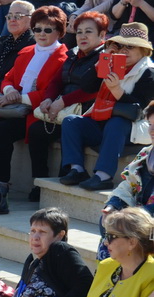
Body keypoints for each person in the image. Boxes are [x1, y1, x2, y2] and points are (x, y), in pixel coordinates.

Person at [59, 23, 154, 191]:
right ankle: (77, 169)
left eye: (130, 46)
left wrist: (117, 90)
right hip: (104, 124)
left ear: (143, 50)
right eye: (120, 45)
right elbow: (87, 86)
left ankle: (104, 175)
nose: (124, 50)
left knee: (117, 122)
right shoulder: (112, 63)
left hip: (134, 129)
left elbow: (137, 111)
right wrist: (101, 63)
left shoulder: (149, 72)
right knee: (71, 122)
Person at [26, 11, 107, 202]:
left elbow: (95, 89)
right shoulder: (73, 54)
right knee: (36, 131)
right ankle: (39, 181)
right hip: (63, 110)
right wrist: (48, 99)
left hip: (86, 112)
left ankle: (67, 175)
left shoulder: (105, 57)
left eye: (89, 32)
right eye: (79, 32)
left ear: (102, 35)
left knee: (68, 130)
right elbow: (56, 82)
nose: (83, 36)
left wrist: (63, 101)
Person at [0, 6, 69, 192]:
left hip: (40, 112)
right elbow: (8, 77)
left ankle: (37, 184)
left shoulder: (63, 58)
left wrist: (17, 99)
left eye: (48, 29)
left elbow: (51, 92)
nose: (41, 34)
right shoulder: (27, 51)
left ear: (59, 32)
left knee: (28, 132)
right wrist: (9, 90)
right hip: (18, 109)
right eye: (37, 29)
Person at [0, 1, 34, 102]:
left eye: (18, 16)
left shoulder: (33, 43)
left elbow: (21, 77)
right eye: (9, 16)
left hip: (13, 96)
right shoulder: (3, 41)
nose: (12, 20)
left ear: (31, 20)